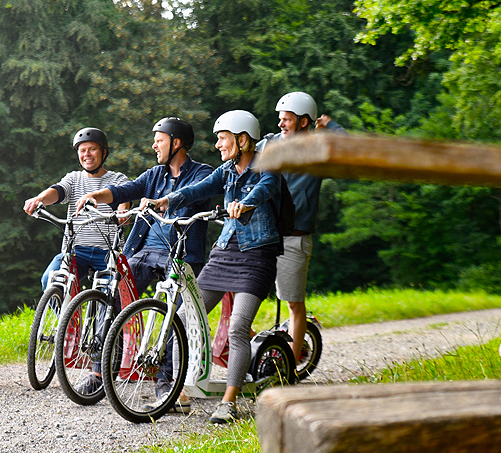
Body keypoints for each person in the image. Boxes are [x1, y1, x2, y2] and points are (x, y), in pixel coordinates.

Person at [141, 110, 281, 424]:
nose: (217, 144)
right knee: (182, 318)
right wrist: (167, 200)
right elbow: (199, 189)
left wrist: (245, 203)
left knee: (237, 328)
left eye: (222, 138)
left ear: (242, 139)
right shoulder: (227, 170)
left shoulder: (267, 165)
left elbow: (265, 188)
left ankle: (229, 403)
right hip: (224, 252)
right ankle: (181, 394)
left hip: (257, 254)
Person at [75, 117, 214, 397]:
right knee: (111, 300)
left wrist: (166, 201)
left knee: (173, 317)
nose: (154, 145)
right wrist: (95, 196)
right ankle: (100, 373)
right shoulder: (154, 175)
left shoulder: (202, 173)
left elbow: (194, 194)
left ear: (176, 143)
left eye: (159, 140)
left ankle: (167, 386)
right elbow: (126, 190)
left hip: (180, 254)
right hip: (142, 251)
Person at [258, 92, 346, 366]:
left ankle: (290, 370)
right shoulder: (269, 143)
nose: (281, 123)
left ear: (305, 121)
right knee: (243, 299)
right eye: (280, 119)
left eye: (287, 119)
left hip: (294, 238)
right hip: (263, 235)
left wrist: (330, 126)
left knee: (293, 303)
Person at [22, 127, 130, 292]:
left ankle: (105, 318)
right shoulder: (74, 178)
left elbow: (124, 197)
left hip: (107, 253)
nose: (87, 154)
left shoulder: (118, 179)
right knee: (50, 281)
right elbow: (58, 191)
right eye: (82, 150)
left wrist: (123, 210)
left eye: (92, 149)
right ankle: (68, 318)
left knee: (111, 293)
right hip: (76, 250)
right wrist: (39, 199)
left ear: (104, 153)